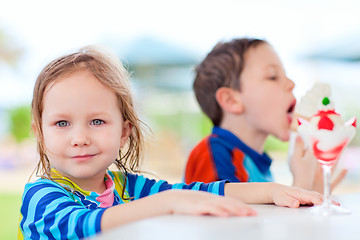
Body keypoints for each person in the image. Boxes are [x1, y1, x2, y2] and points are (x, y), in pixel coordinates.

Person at [18, 46, 323, 240]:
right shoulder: (41, 195)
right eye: (61, 124)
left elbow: (198, 191)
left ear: (124, 132)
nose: (80, 138)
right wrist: (167, 203)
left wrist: (271, 190)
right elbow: (82, 225)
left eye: (97, 122)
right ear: (39, 132)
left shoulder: (129, 187)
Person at [184, 38, 345, 191]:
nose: (291, 84)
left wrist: (312, 188)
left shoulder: (256, 163)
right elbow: (224, 217)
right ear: (231, 100)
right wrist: (300, 187)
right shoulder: (213, 153)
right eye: (273, 77)